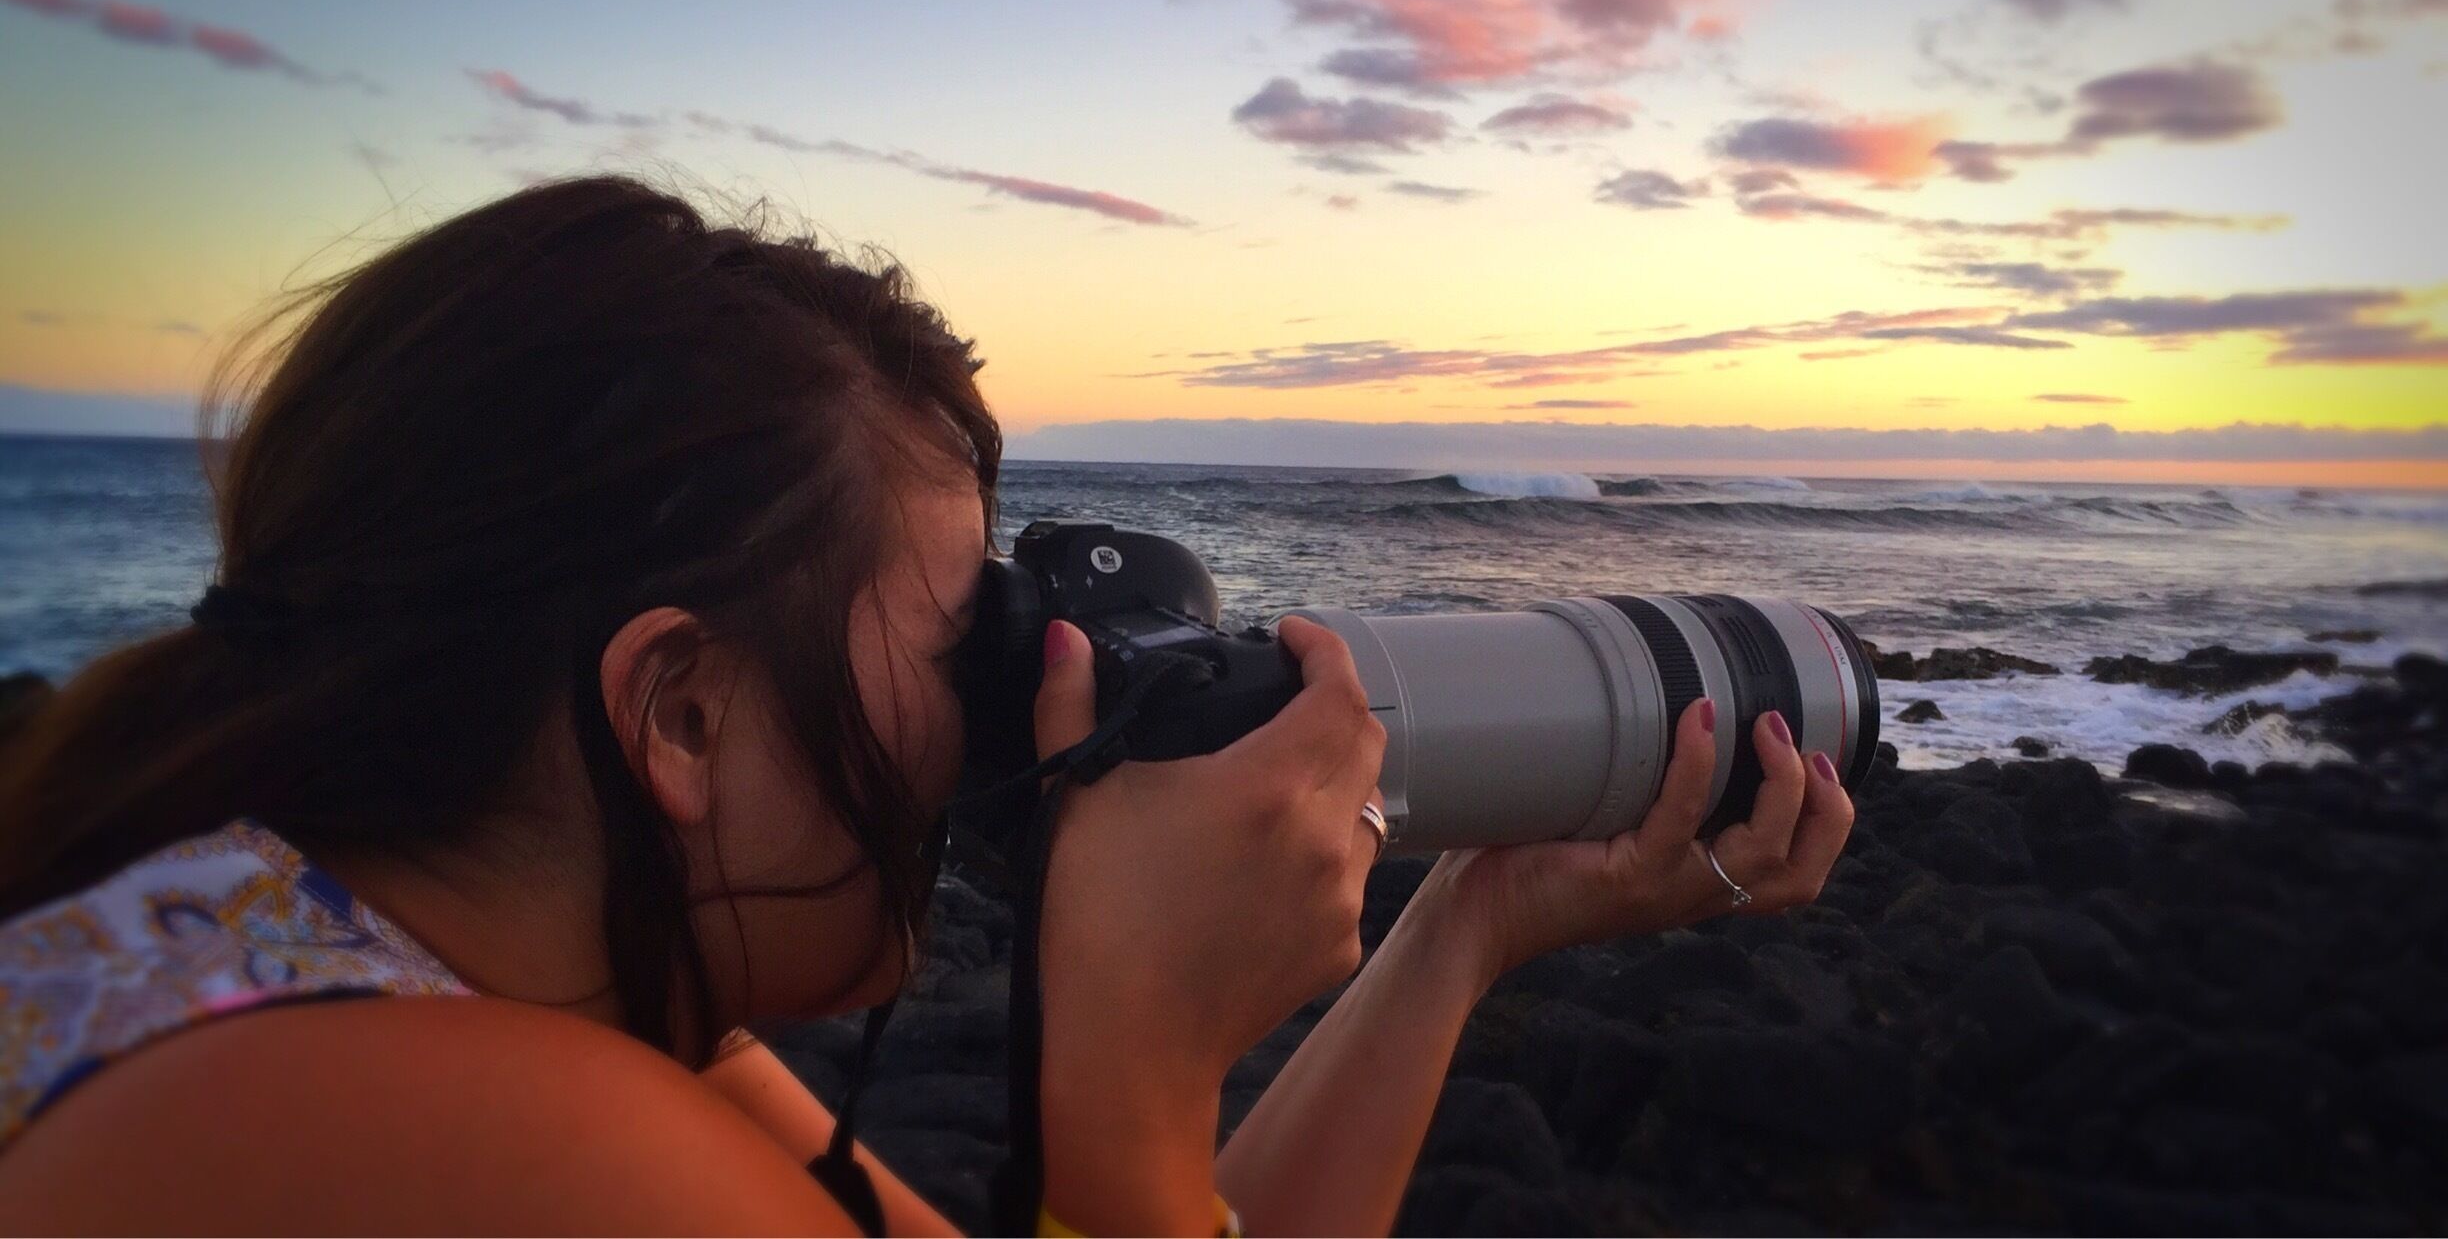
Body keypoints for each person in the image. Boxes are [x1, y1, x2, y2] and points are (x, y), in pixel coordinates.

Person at [0, 177, 1854, 1235]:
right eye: (964, 639)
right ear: (680, 711)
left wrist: (1463, 931)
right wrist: (1131, 1074)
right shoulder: (457, 1129)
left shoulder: (430, 980)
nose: (1004, 709)